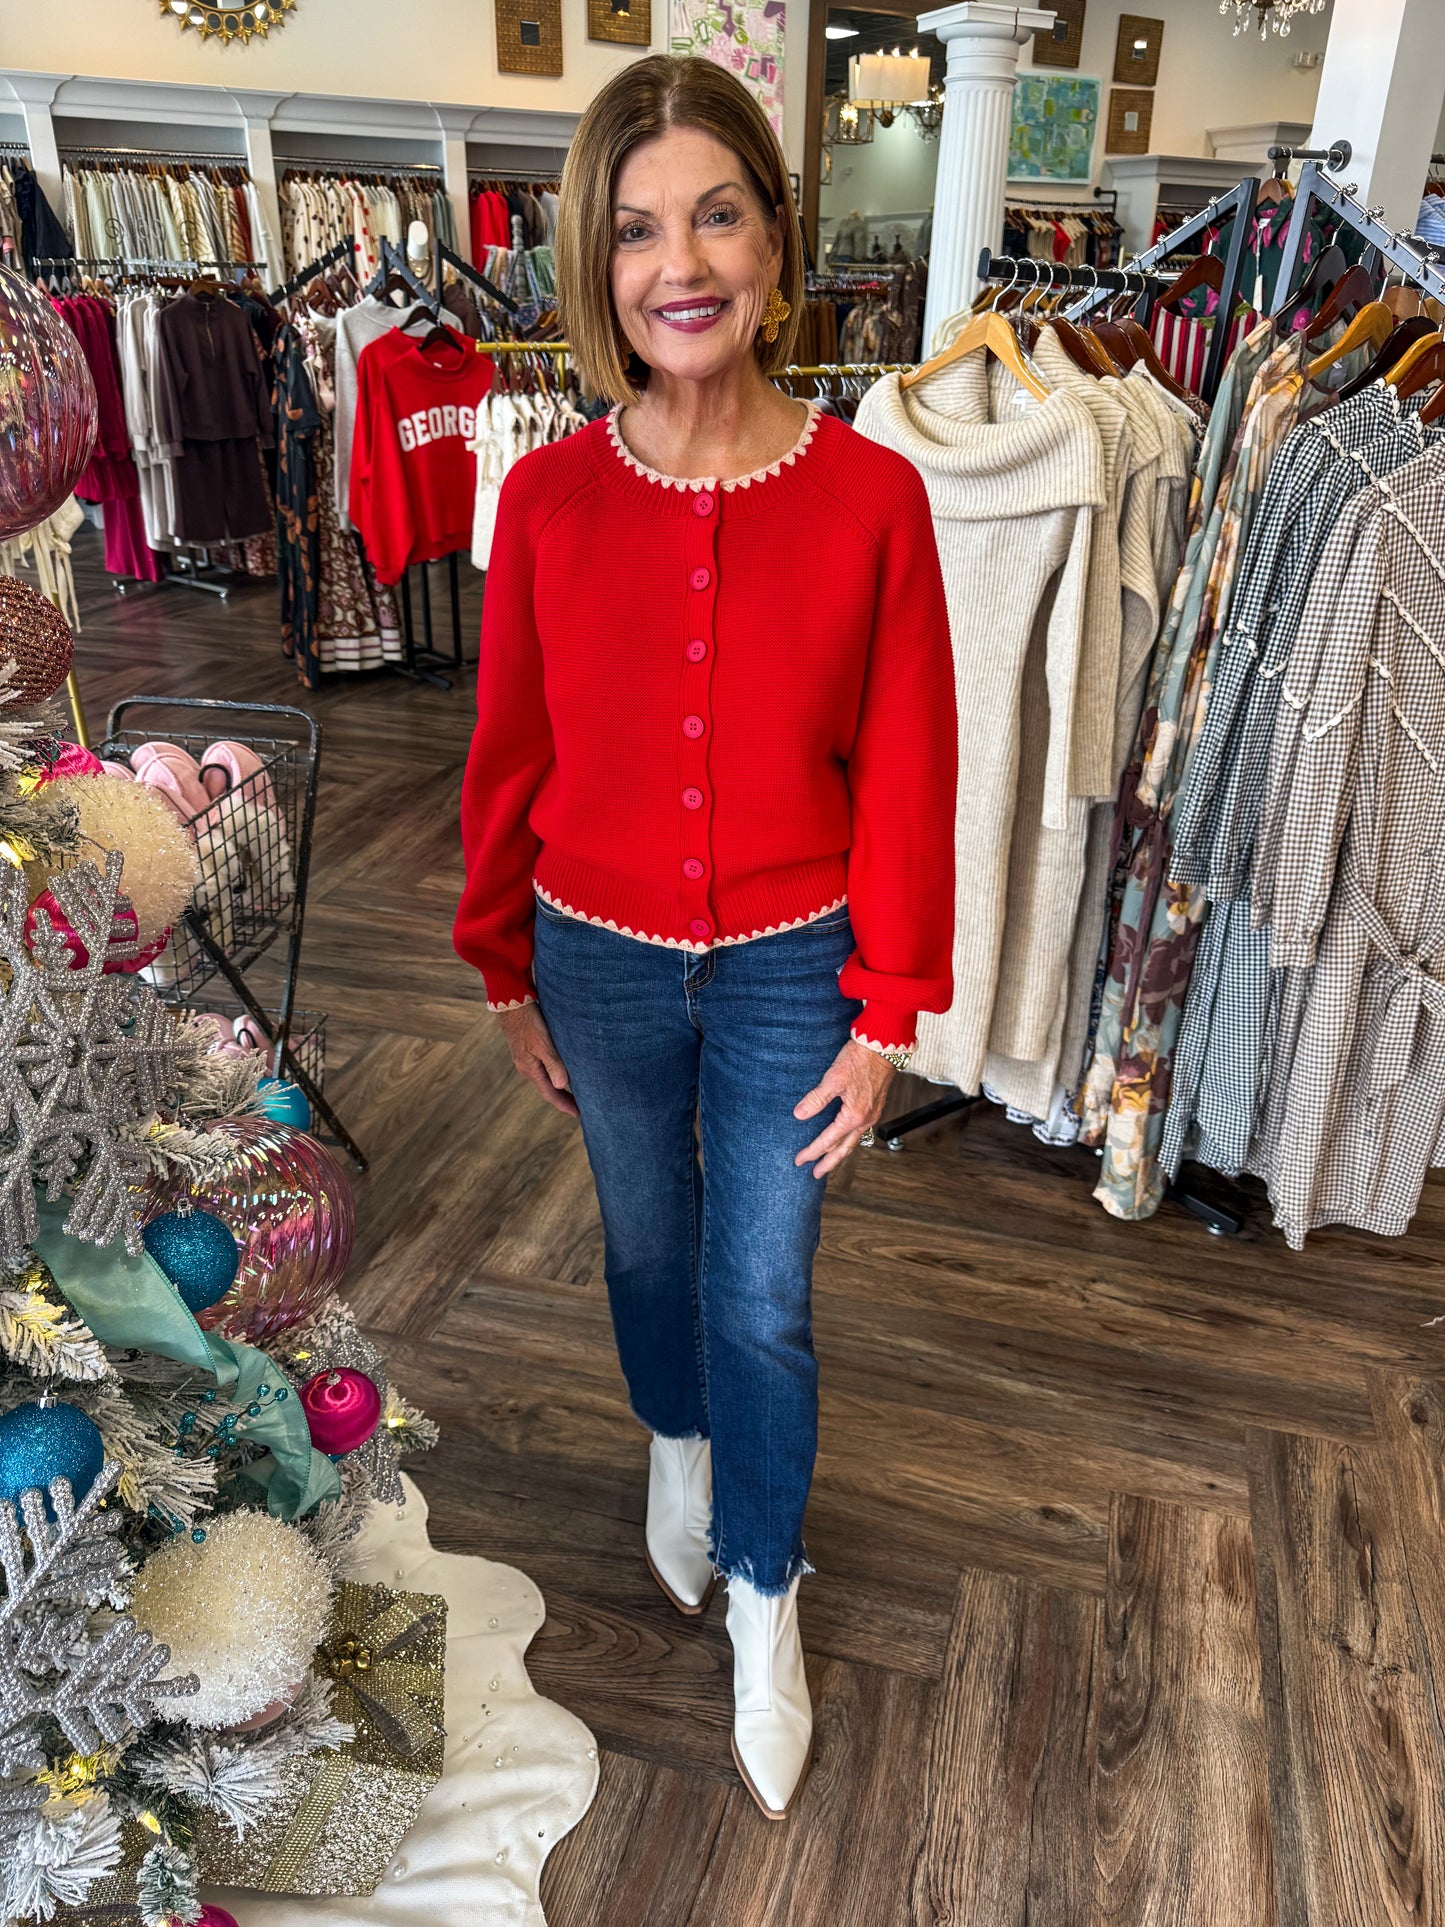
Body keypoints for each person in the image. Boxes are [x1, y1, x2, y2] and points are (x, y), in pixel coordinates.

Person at [454, 53, 957, 1821]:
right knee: (649, 1256)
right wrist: (501, 956)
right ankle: (670, 1448)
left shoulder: (872, 503)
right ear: (597, 260)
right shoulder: (550, 503)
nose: (682, 263)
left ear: (773, 234)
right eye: (640, 227)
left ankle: (764, 1590)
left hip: (788, 965)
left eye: (717, 213)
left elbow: (907, 769)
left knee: (764, 1294)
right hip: (590, 950)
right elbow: (509, 745)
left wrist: (886, 1009)